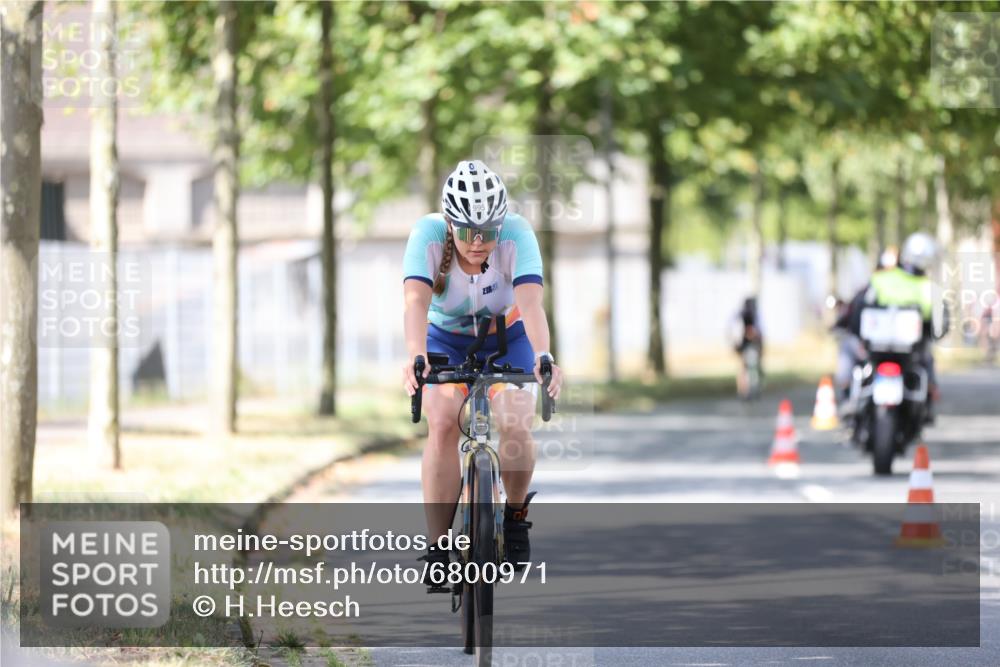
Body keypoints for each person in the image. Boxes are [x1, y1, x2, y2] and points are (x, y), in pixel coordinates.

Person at [401, 160, 563, 588]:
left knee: (514, 420)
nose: (478, 242)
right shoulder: (428, 235)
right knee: (442, 419)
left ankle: (515, 517)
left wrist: (544, 355)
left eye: (488, 231)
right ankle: (438, 546)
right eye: (468, 231)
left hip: (506, 335)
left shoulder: (517, 234)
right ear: (450, 222)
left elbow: (530, 306)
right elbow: (415, 303)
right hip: (444, 339)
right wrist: (417, 355)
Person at [847, 232, 940, 419]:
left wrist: (857, 333)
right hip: (909, 350)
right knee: (927, 364)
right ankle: (927, 406)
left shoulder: (881, 279)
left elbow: (860, 307)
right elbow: (938, 323)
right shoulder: (929, 288)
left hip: (875, 346)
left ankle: (849, 399)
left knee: (856, 363)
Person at [732, 296, 763, 396]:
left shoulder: (741, 314)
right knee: (749, 368)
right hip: (748, 345)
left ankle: (744, 390)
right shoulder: (749, 315)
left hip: (745, 344)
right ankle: (747, 390)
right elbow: (752, 332)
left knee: (744, 368)